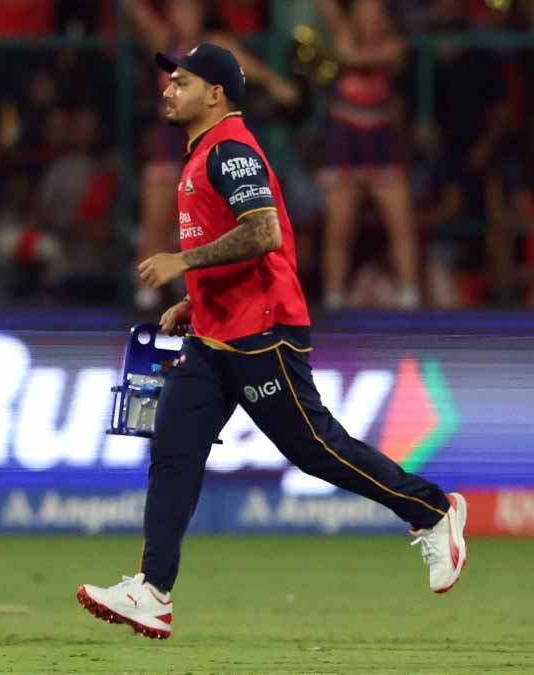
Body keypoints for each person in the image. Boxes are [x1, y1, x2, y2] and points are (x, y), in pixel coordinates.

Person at [76, 44, 468, 640]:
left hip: (263, 331)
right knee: (175, 447)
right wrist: (195, 299)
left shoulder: (230, 151)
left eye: (181, 82)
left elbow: (263, 233)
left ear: (215, 94)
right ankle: (152, 592)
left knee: (315, 448)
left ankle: (433, 511)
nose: (168, 91)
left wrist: (182, 261)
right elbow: (239, 242)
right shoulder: (203, 151)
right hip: (215, 334)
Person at [122, 0, 299, 310]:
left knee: (213, 219)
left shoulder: (214, 45)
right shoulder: (165, 41)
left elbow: (250, 66)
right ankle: (146, 293)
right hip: (169, 140)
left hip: (206, 143)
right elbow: (139, 13)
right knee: (155, 217)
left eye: (191, 8)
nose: (186, 15)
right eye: (179, 8)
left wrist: (279, 86)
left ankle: (216, 289)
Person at [317, 0, 420, 309]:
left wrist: (351, 48)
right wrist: (343, 33)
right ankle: (334, 298)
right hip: (344, 141)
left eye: (376, 13)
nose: (370, 19)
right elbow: (344, 50)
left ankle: (409, 295)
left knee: (401, 222)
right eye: (364, 12)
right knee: (339, 226)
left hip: (382, 141)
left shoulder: (395, 44)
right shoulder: (343, 36)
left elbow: (353, 56)